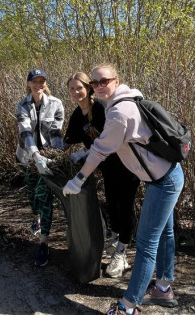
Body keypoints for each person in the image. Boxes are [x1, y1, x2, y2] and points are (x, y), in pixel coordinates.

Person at [63, 63, 184, 314]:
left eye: (103, 81)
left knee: (146, 242)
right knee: (164, 234)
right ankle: (163, 288)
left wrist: (78, 180)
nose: (98, 86)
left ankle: (128, 306)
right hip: (166, 175)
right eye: (95, 83)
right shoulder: (127, 100)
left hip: (164, 181)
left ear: (116, 80)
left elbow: (99, 150)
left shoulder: (119, 112)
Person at [63, 72, 140, 278]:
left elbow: (111, 141)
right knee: (112, 204)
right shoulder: (77, 115)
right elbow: (67, 141)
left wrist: (87, 152)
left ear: (88, 88)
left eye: (79, 87)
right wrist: (49, 156)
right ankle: (115, 240)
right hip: (106, 168)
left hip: (126, 166)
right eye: (71, 89)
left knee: (125, 206)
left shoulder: (103, 109)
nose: (75, 92)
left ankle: (122, 253)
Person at [16, 68, 64, 267]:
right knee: (32, 195)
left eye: (42, 81)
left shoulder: (56, 104)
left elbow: (56, 133)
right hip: (28, 156)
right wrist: (35, 155)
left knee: (43, 195)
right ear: (29, 84)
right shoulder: (22, 105)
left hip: (47, 158)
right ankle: (36, 217)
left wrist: (54, 157)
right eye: (35, 81)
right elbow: (25, 131)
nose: (39, 85)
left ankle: (43, 241)